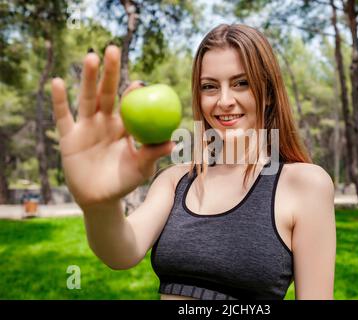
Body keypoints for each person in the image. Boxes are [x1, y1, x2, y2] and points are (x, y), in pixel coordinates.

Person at [51, 23, 336, 300]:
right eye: (209, 87)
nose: (224, 100)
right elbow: (121, 252)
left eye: (241, 83)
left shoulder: (305, 184)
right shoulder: (175, 180)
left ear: (269, 94)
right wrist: (98, 206)